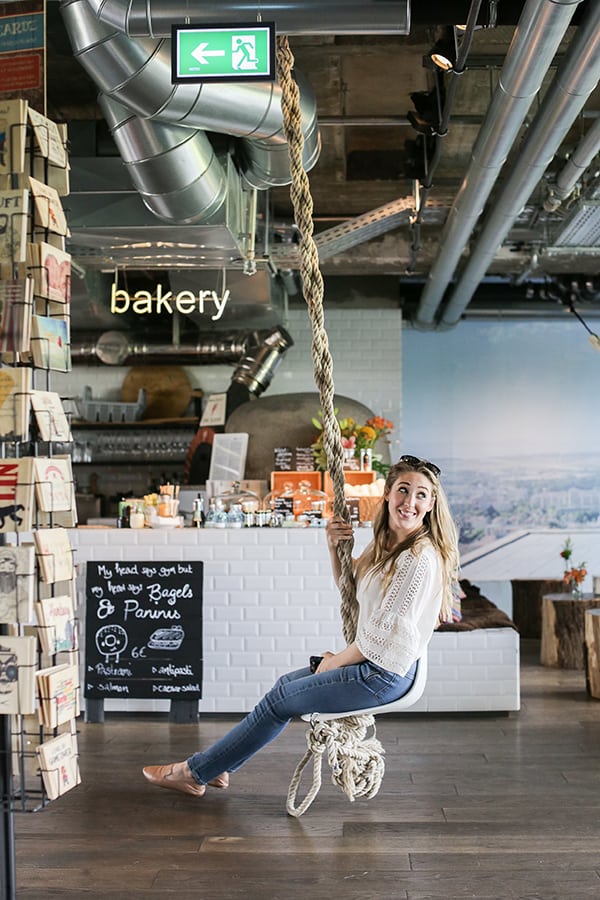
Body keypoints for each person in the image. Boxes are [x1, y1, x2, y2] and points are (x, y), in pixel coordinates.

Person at [142, 454, 459, 798]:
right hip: (373, 664)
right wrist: (332, 546)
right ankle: (216, 767)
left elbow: (382, 637)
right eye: (403, 490)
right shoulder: (388, 545)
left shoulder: (418, 558)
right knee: (283, 688)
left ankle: (194, 772)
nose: (409, 502)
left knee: (281, 699)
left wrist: (336, 661)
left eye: (421, 495)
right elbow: (349, 589)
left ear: (431, 504)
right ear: (387, 493)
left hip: (383, 674)